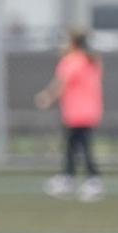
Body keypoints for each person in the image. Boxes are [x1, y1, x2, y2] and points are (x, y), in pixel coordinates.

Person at [36, 29, 104, 202]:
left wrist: (47, 97)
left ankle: (92, 180)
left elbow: (61, 84)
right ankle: (69, 177)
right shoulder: (91, 60)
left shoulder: (73, 60)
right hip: (88, 111)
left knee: (81, 146)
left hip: (78, 112)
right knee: (73, 146)